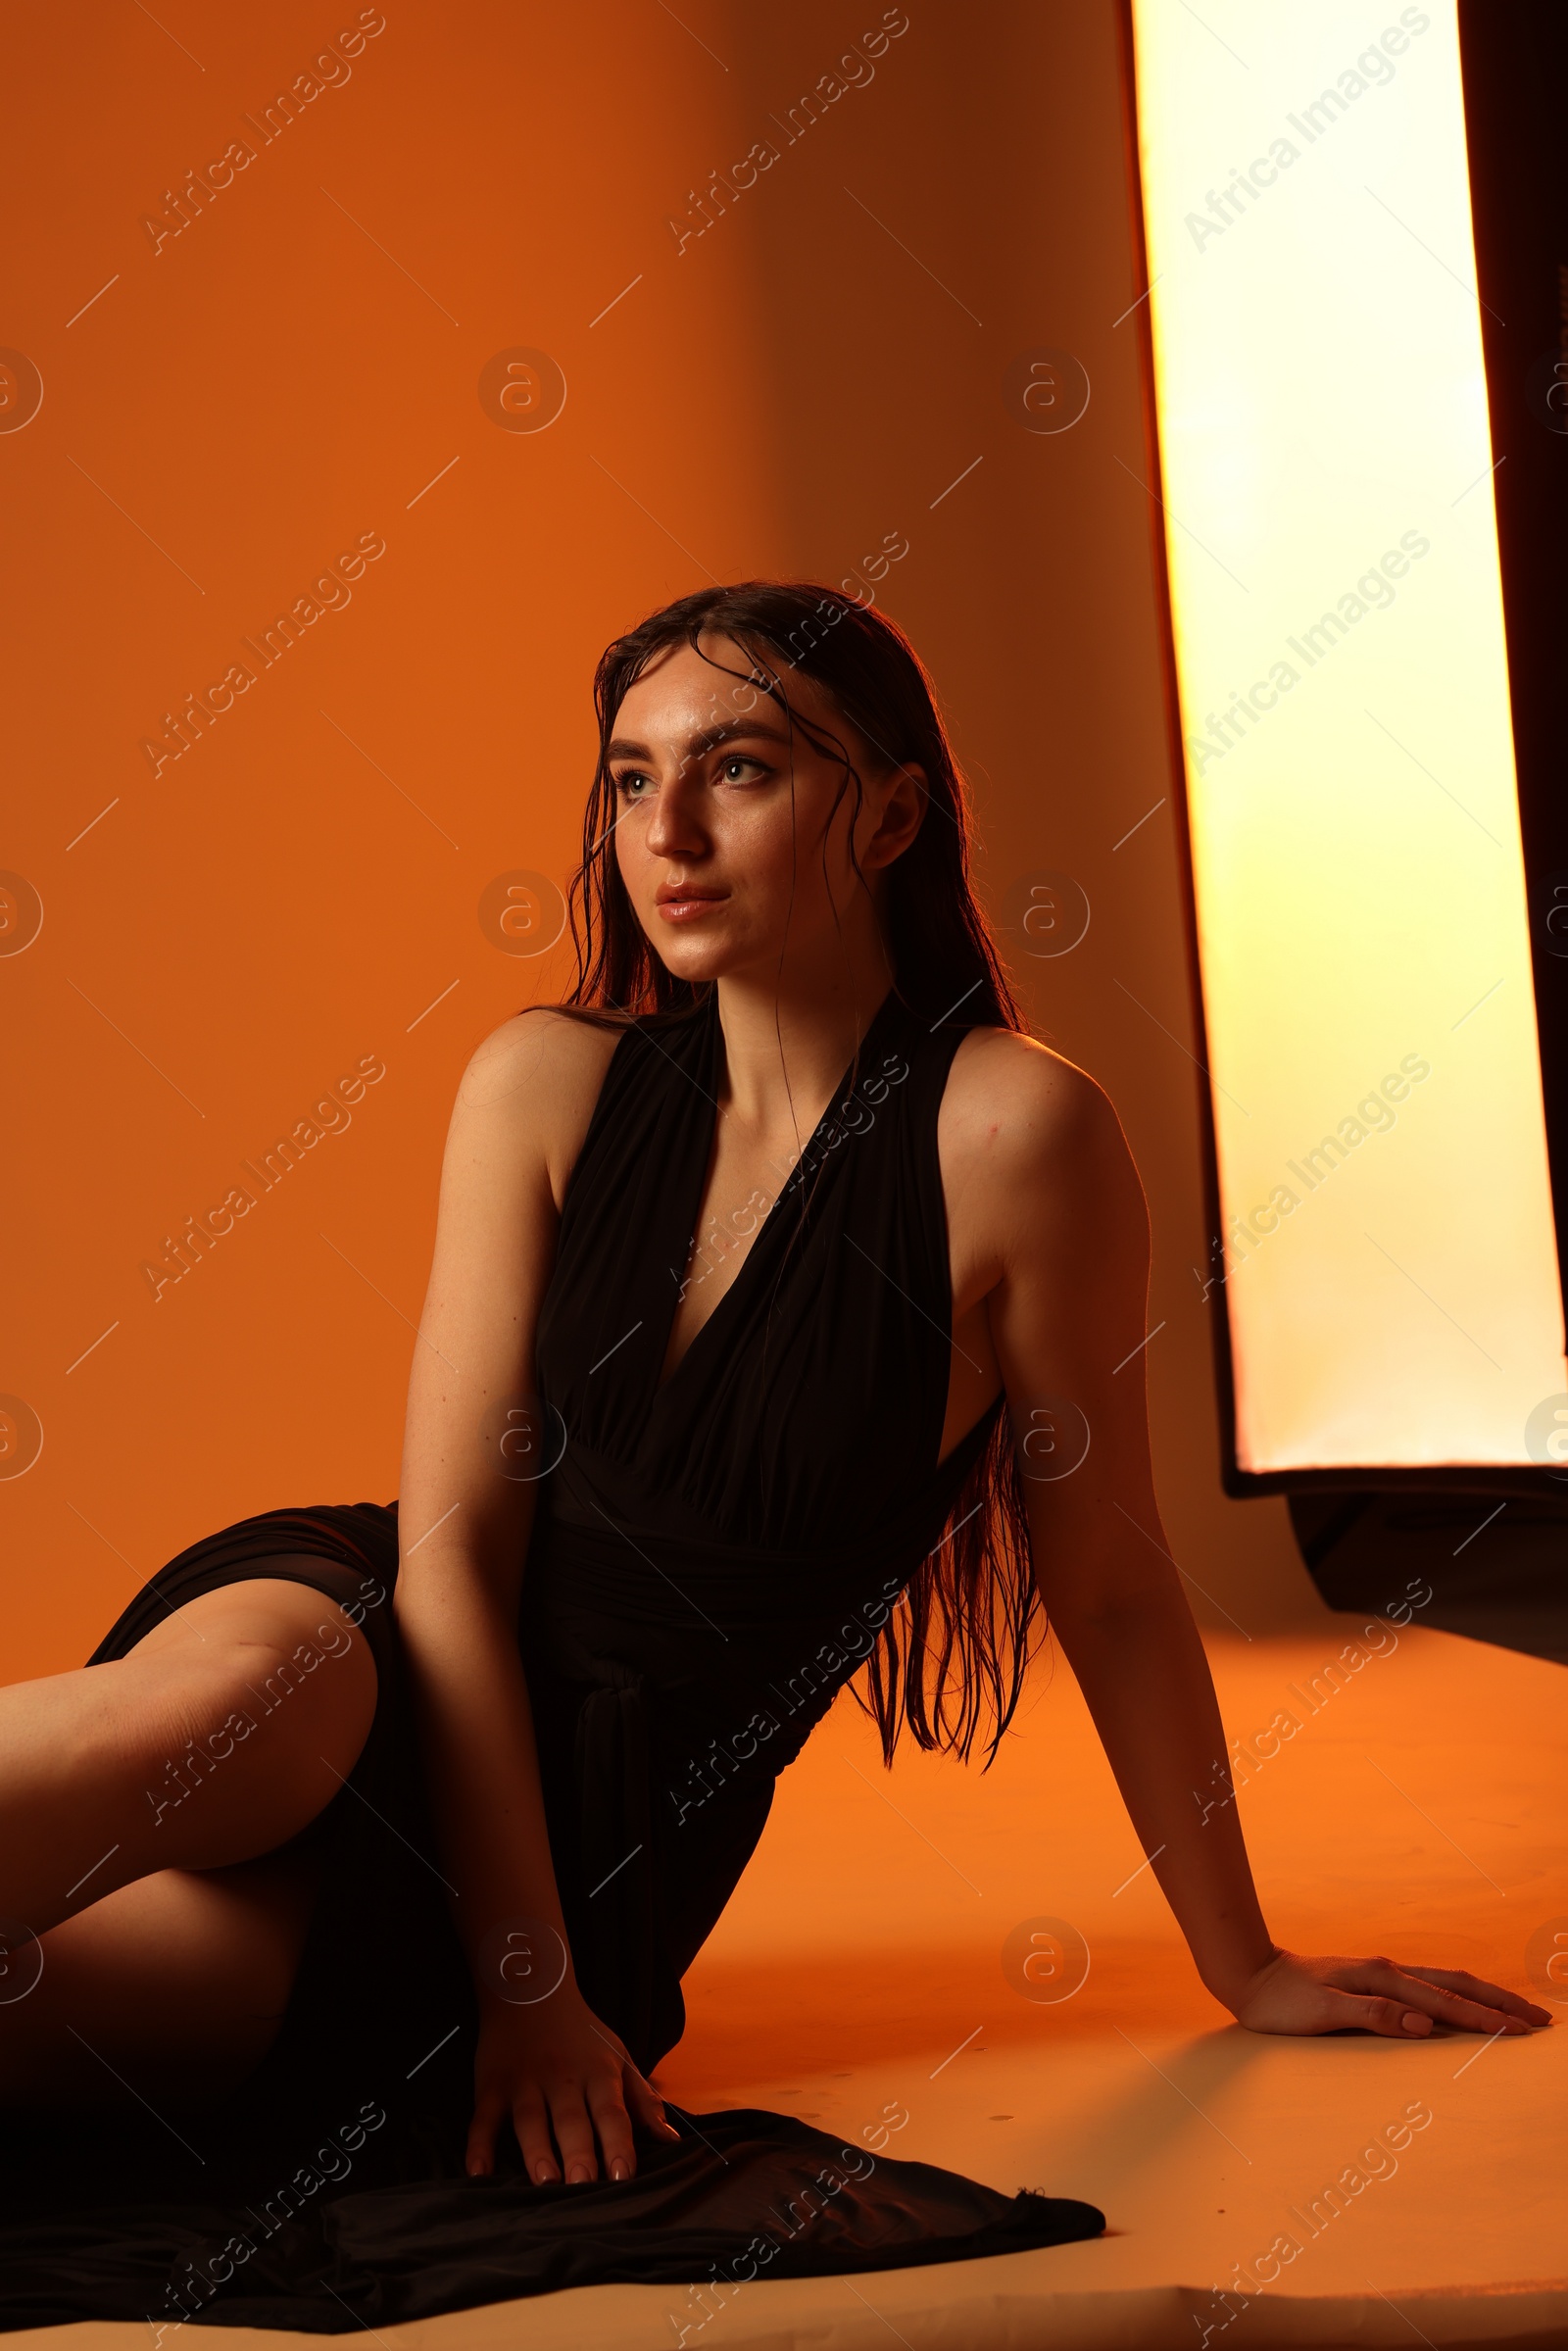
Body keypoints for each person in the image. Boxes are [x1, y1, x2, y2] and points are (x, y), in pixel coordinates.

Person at [0, 581, 1547, 2201]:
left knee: (55, 2033)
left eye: (737, 768)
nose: (663, 830)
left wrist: (1250, 1963)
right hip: (385, 1643)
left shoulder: (1015, 1140)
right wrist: (526, 1986)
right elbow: (454, 1558)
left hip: (609, 1834)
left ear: (886, 812)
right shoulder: (542, 1081)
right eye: (628, 778)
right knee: (206, 1710)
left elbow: (1113, 1581)